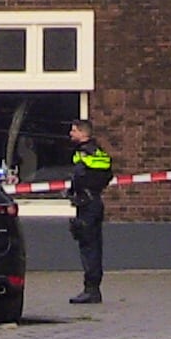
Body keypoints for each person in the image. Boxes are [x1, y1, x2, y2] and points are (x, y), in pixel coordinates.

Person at [66, 119, 112, 304]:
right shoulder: (96, 152)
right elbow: (106, 174)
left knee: (89, 245)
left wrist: (78, 190)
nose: (70, 133)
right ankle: (92, 288)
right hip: (91, 201)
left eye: (73, 130)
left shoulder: (85, 153)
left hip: (88, 204)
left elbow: (81, 176)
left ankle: (91, 289)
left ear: (83, 133)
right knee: (91, 244)